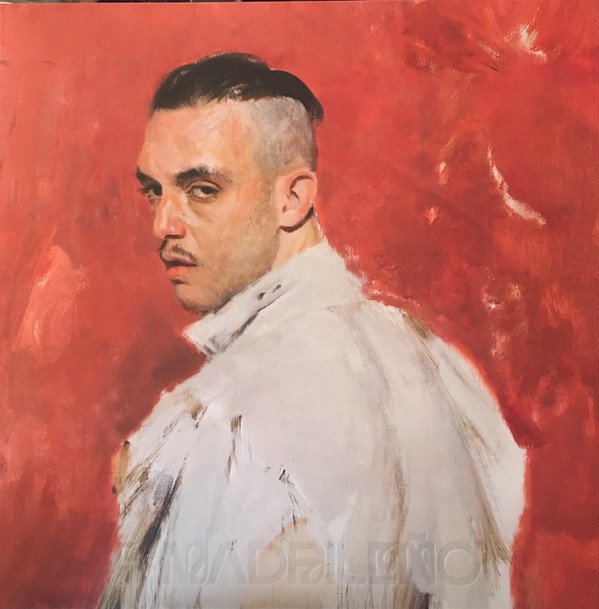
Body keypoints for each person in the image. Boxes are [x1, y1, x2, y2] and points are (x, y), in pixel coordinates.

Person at [99, 52, 525, 609]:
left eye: (202, 189)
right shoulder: (444, 372)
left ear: (293, 198)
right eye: (154, 191)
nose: (163, 224)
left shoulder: (228, 416)